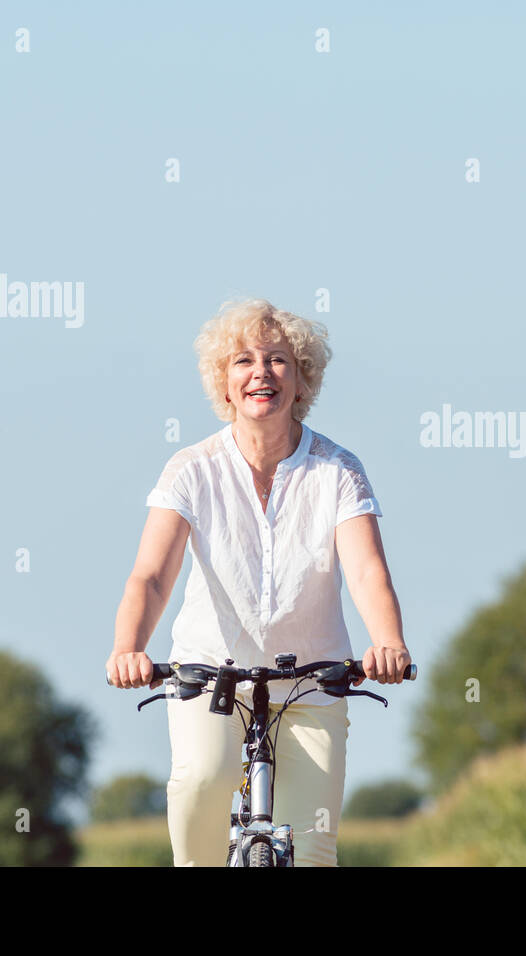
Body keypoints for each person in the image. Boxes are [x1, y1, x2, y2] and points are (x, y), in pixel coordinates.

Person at [106, 298, 412, 867]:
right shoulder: (192, 469)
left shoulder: (338, 470)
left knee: (314, 846)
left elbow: (368, 570)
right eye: (244, 360)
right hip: (210, 679)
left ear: (302, 380)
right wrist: (129, 648)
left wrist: (387, 643)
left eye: (277, 360)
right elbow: (150, 576)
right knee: (200, 779)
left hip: (313, 682)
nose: (261, 373)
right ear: (225, 383)